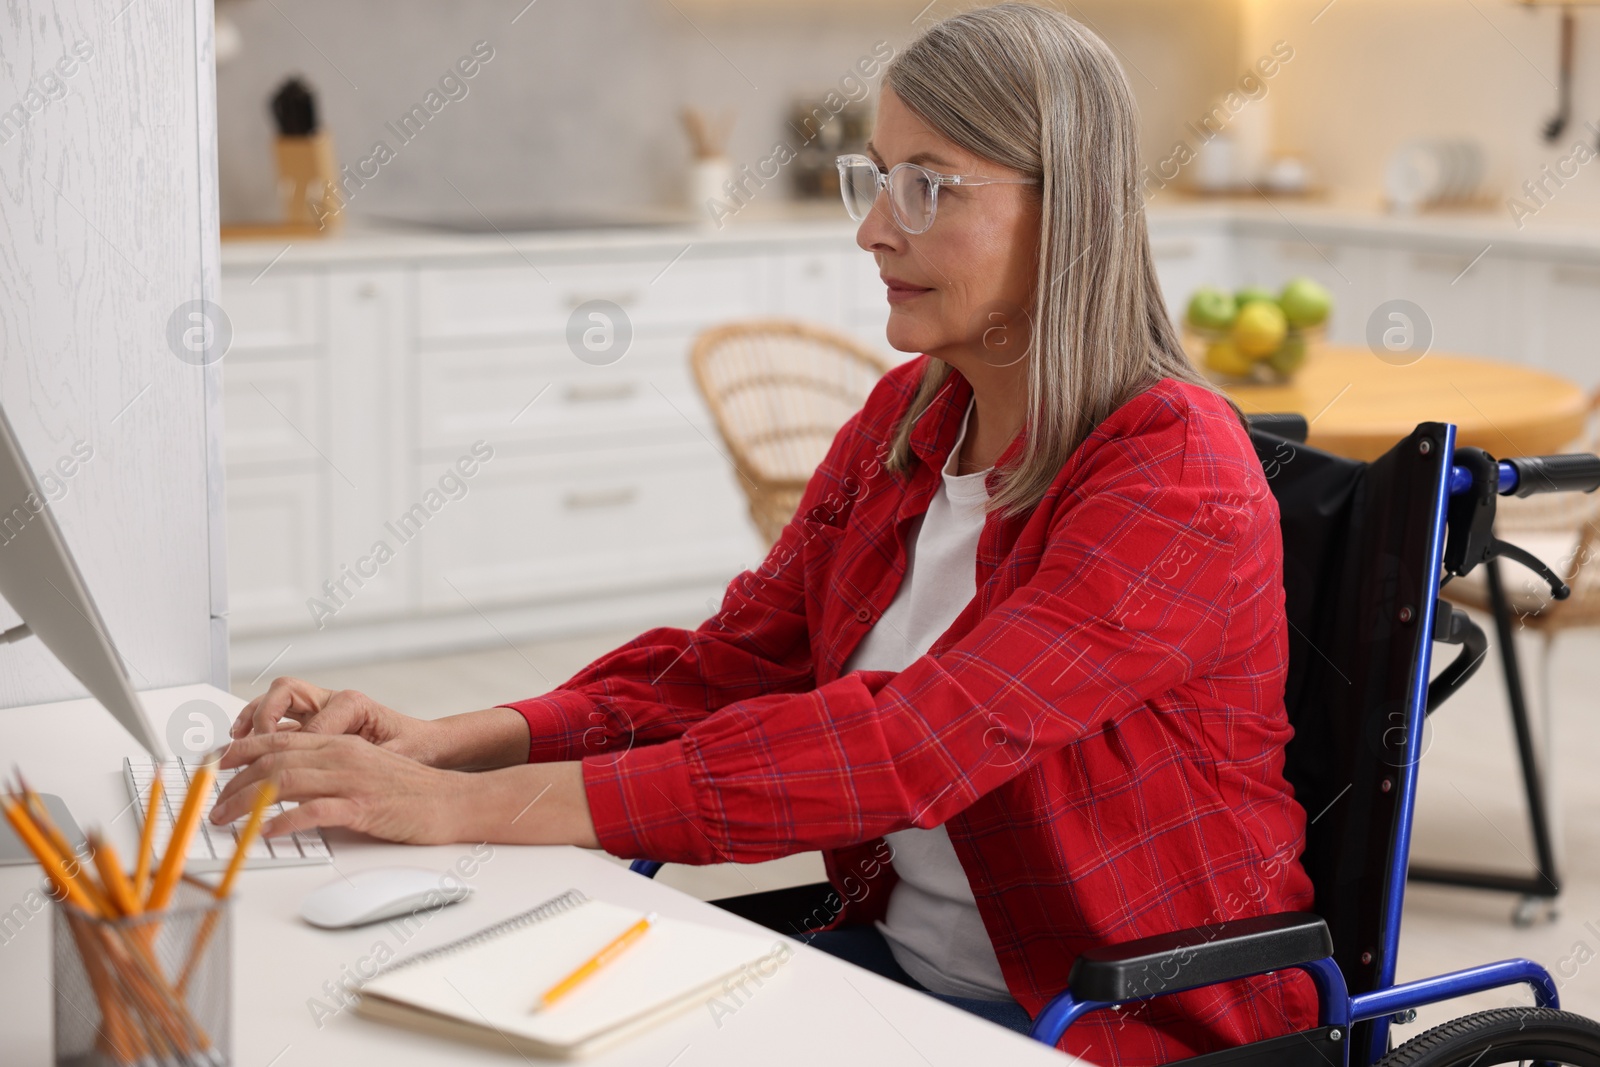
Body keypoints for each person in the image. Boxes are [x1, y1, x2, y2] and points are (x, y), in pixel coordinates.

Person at [212, 5, 1318, 1062]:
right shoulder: (909, 421)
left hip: (1121, 1023)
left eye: (928, 185)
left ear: (1066, 204)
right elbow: (720, 672)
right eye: (878, 178)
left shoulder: (1175, 474)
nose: (874, 226)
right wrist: (446, 740)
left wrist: (464, 809)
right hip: (904, 977)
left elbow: (913, 743)